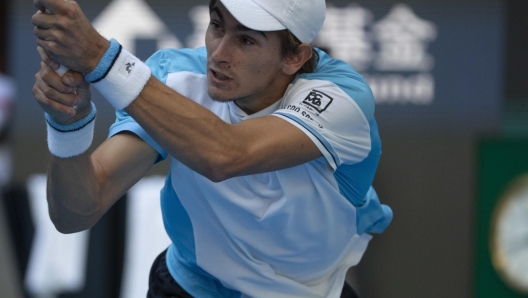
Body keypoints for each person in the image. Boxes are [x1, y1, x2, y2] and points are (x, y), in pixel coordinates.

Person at [31, 0, 393, 297]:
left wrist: (99, 56)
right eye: (217, 25)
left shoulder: (340, 97)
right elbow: (75, 213)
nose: (219, 54)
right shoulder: (174, 78)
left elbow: (225, 155)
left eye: (246, 40)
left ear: (295, 57)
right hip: (186, 287)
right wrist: (68, 125)